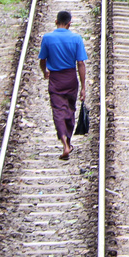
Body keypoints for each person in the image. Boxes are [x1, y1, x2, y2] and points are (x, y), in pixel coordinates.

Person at [38, 11, 88, 160]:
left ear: (56, 21)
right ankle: (68, 141)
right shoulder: (76, 38)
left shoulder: (47, 38)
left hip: (55, 79)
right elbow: (80, 63)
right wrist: (83, 86)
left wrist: (44, 71)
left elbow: (42, 59)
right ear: (69, 23)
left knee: (58, 111)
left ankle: (64, 143)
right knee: (70, 110)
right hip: (71, 78)